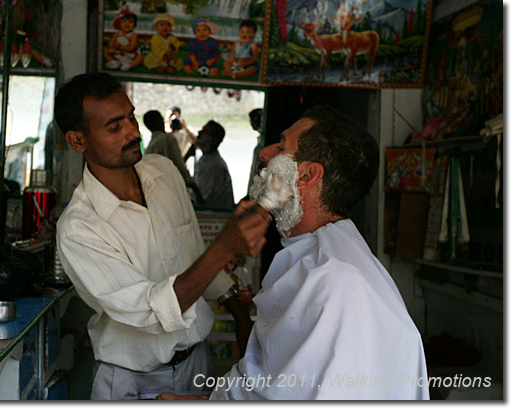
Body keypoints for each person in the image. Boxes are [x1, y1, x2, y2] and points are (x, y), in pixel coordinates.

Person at [158, 105, 429, 400]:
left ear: (307, 175)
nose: (264, 154)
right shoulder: (313, 257)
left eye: (281, 146)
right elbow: (274, 383)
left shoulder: (334, 278)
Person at [53, 72, 271, 400]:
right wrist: (225, 246)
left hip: (196, 362)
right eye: (115, 126)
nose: (132, 131)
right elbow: (152, 312)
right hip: (131, 380)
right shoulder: (79, 228)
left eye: (131, 117)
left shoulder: (164, 172)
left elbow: (193, 257)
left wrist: (240, 313)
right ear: (78, 141)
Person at [143, 109, 204, 205]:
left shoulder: (150, 146)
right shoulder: (167, 139)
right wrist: (194, 187)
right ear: (162, 121)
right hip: (171, 189)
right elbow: (178, 166)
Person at [193, 120, 234, 209]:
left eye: (205, 132)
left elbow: (202, 198)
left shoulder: (214, 164)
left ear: (215, 140)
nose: (199, 133)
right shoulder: (205, 159)